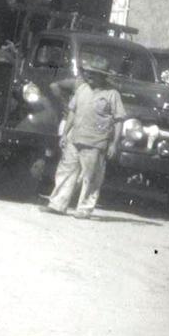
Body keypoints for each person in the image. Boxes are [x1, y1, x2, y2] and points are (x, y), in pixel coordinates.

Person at [41, 54, 127, 219]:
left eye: (93, 74)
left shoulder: (112, 94)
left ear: (103, 76)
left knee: (91, 177)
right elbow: (73, 112)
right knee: (66, 171)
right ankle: (57, 204)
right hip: (75, 138)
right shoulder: (81, 89)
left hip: (96, 142)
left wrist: (114, 144)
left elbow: (119, 120)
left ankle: (84, 209)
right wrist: (65, 133)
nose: (89, 76)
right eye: (88, 72)